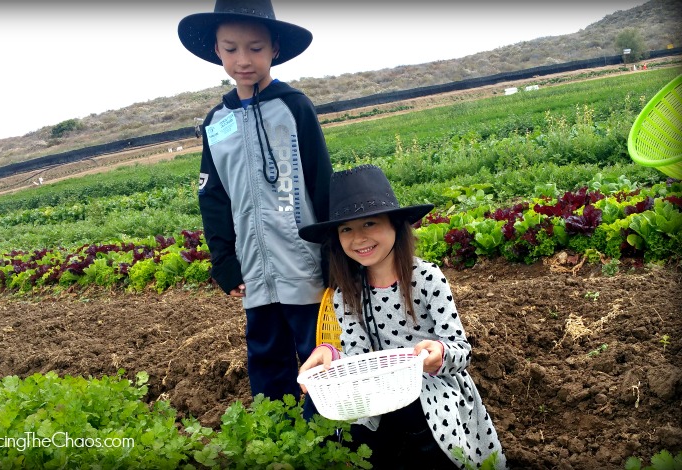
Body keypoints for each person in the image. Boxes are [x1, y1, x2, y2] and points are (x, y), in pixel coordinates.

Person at [178, 0, 333, 416]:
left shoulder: (294, 106)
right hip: (253, 271)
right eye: (230, 49)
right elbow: (212, 197)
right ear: (216, 50)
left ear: (275, 49)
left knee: (320, 355)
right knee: (265, 358)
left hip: (305, 263)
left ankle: (332, 435)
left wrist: (333, 253)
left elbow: (320, 181)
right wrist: (224, 261)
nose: (242, 60)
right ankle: (278, 433)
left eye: (255, 48)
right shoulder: (216, 121)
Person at [297, 165, 506, 469]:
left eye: (370, 223)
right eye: (346, 229)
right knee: (327, 409)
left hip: (433, 389)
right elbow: (359, 357)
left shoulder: (427, 279)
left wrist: (439, 354)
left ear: (396, 224)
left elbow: (461, 351)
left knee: (414, 408)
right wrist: (330, 355)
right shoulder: (347, 293)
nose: (358, 238)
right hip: (377, 390)